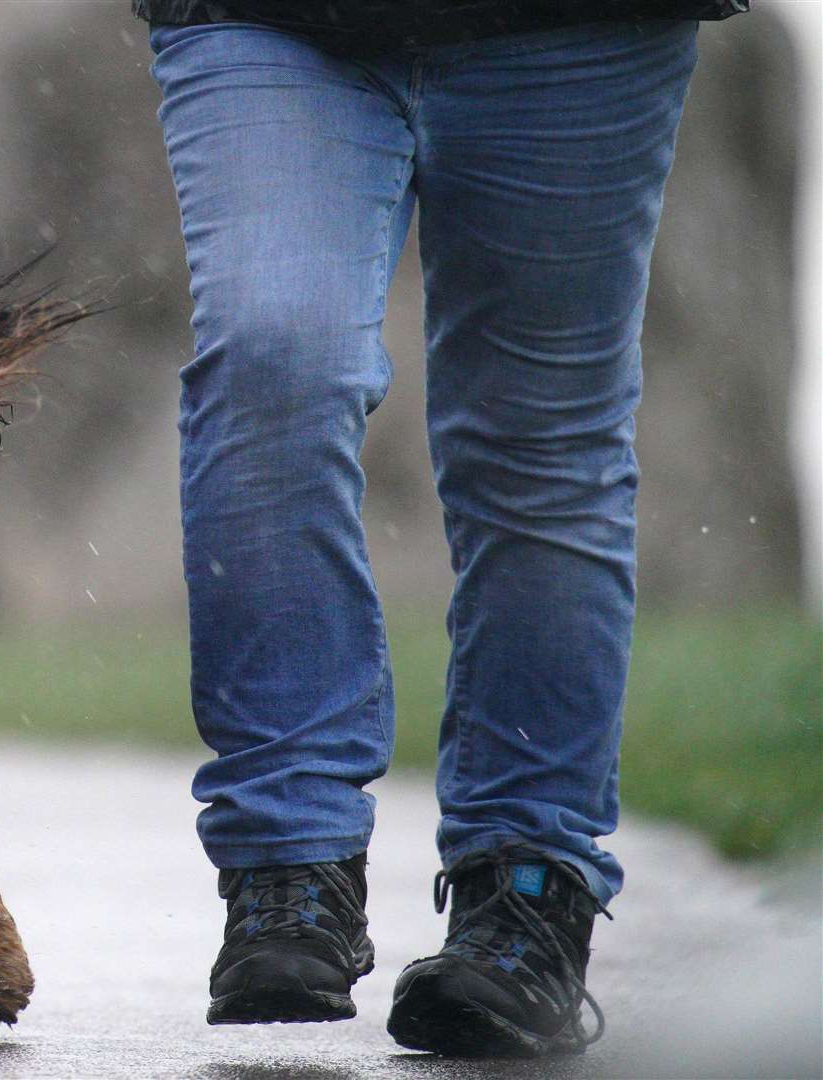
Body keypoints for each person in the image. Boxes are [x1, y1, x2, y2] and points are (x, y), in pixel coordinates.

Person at [135, 0, 745, 1058]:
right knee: (273, 361)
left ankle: (527, 892)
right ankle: (289, 858)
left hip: (583, 36)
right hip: (268, 19)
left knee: (542, 447)